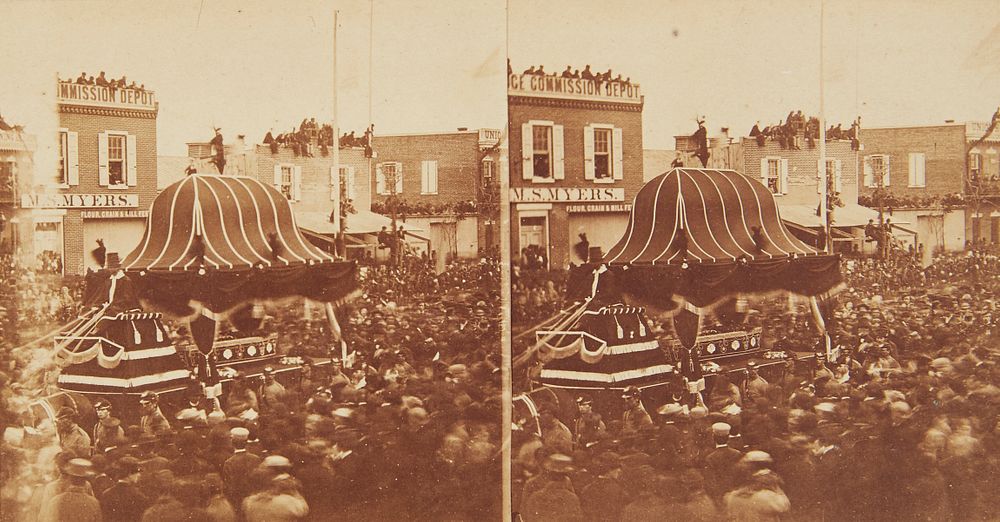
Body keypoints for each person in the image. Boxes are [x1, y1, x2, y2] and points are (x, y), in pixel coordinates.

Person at [99, 456, 150, 522]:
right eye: (137, 472)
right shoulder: (139, 497)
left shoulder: (106, 494)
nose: (139, 475)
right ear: (129, 473)